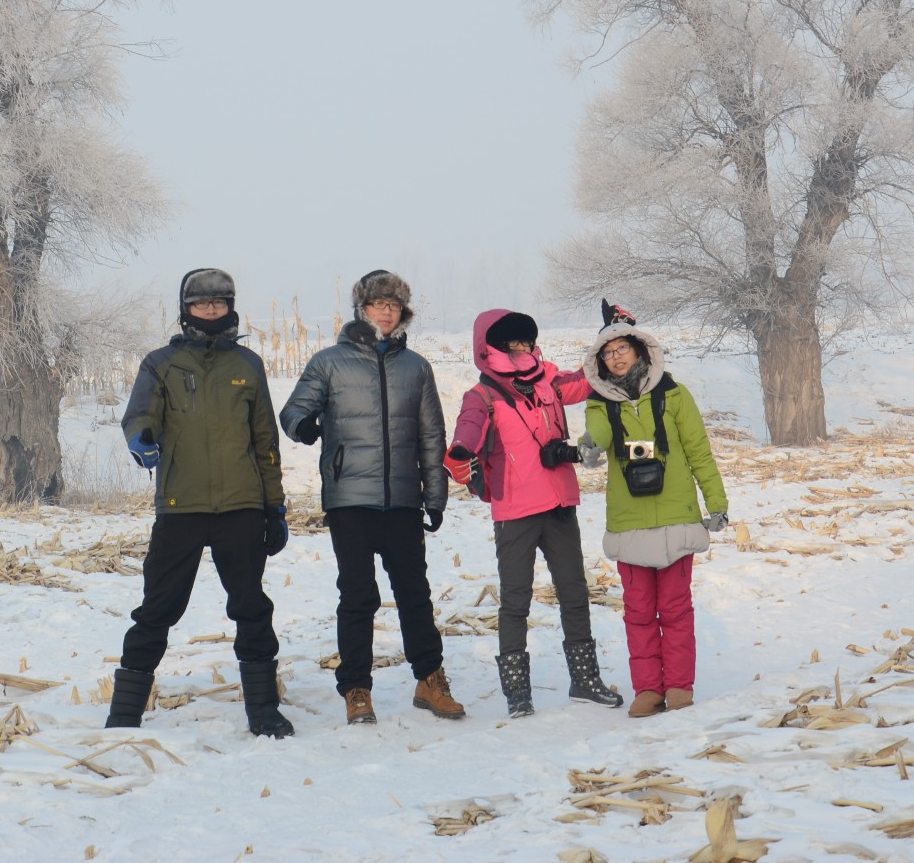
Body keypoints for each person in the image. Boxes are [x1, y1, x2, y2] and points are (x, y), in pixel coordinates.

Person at [107, 268, 293, 737]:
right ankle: (125, 712)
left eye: (218, 303)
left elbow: (265, 440)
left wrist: (274, 507)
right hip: (180, 507)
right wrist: (141, 439)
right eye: (201, 304)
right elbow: (139, 415)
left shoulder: (247, 365)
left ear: (230, 307)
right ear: (185, 309)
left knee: (251, 607)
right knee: (157, 609)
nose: (210, 311)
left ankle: (264, 710)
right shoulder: (161, 363)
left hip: (241, 508)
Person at [280, 270, 463, 726]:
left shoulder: (416, 367)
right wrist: (305, 425)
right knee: (358, 595)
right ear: (362, 309)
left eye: (394, 305)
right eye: (379, 303)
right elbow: (293, 410)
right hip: (350, 499)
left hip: (402, 499)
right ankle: (357, 688)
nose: (386, 311)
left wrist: (435, 496)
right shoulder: (329, 362)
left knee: (415, 593)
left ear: (403, 313)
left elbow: (431, 436)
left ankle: (430, 679)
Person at [446, 309, 624, 717]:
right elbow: (467, 432)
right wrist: (459, 455)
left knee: (575, 593)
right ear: (489, 347)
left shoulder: (549, 380)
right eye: (513, 343)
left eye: (526, 342)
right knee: (515, 601)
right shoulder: (482, 397)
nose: (522, 349)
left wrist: (612, 334)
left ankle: (584, 680)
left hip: (560, 501)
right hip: (516, 509)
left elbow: (589, 380)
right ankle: (517, 692)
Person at [580, 301, 730, 717]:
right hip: (629, 522)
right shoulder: (600, 403)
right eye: (607, 354)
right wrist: (589, 445)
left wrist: (716, 504)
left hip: (676, 517)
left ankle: (680, 685)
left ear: (639, 350)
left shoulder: (675, 395)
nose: (615, 358)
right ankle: (648, 689)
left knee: (677, 609)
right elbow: (599, 432)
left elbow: (700, 452)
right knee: (639, 612)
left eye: (621, 349)